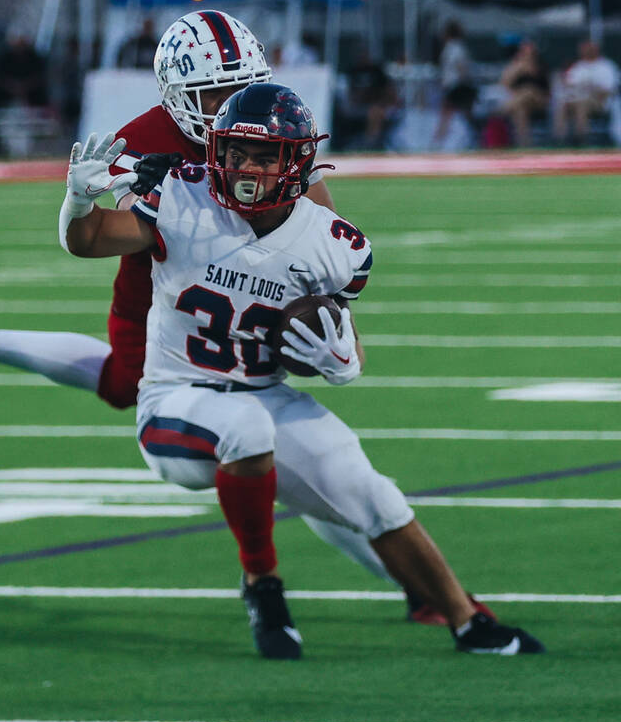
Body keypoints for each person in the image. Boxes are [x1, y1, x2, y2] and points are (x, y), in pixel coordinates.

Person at [0, 10, 474, 640]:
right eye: (213, 95)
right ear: (176, 95)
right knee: (130, 386)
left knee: (312, 465)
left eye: (237, 86)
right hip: (165, 278)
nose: (228, 104)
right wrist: (95, 201)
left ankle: (423, 592)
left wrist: (321, 300)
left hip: (242, 279)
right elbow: (102, 233)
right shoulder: (145, 138)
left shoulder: (264, 118)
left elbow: (312, 217)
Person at [55, 84, 545, 659]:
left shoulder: (335, 246)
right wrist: (78, 202)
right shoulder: (182, 197)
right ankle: (264, 586)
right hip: (175, 401)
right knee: (246, 428)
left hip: (265, 394)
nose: (246, 169)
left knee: (373, 495)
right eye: (235, 152)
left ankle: (469, 623)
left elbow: (349, 356)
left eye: (264, 156)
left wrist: (337, 362)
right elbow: (86, 242)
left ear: (297, 162)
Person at [553, 39, 619, 146]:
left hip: (600, 103)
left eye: (588, 49)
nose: (585, 51)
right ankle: (560, 140)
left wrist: (589, 89)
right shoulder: (578, 67)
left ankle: (581, 140)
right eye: (583, 49)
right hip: (578, 99)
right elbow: (568, 86)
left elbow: (609, 90)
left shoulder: (606, 66)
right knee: (563, 105)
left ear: (595, 50)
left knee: (581, 104)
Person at [433, 21, 477, 150]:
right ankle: (440, 141)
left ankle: (438, 141)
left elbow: (461, 67)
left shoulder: (455, 47)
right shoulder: (454, 47)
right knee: (459, 114)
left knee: (448, 114)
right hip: (454, 86)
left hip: (456, 87)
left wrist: (462, 85)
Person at [498, 39, 549, 148]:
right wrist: (517, 67)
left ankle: (502, 110)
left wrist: (527, 64)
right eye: (524, 51)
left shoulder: (540, 64)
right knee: (520, 110)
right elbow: (504, 83)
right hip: (521, 101)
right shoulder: (515, 65)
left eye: (529, 51)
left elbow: (542, 86)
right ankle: (524, 144)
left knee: (527, 90)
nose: (527, 54)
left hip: (539, 99)